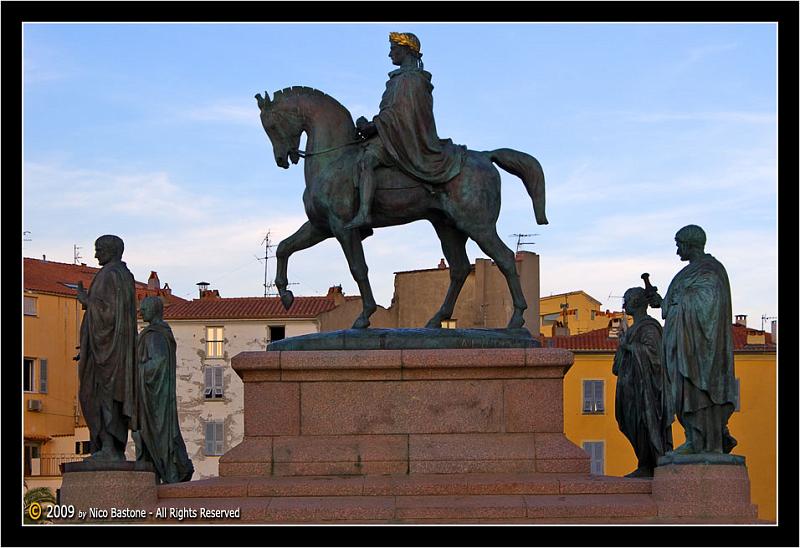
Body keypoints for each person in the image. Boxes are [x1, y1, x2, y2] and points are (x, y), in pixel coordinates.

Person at [345, 32, 466, 230]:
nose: (390, 54)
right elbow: (393, 112)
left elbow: (403, 114)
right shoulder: (401, 78)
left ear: (406, 50)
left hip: (404, 138)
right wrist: (372, 125)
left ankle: (364, 213)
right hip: (392, 133)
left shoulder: (411, 79)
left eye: (394, 49)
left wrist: (374, 125)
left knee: (366, 161)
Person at [647, 224, 738, 454]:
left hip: (699, 350)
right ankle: (693, 438)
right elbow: (672, 304)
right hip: (682, 346)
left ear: (690, 244)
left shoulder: (710, 270)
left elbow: (709, 304)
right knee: (681, 391)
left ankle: (702, 441)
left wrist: (678, 303)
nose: (677, 251)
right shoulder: (689, 272)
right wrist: (662, 302)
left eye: (679, 245)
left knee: (696, 392)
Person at [76, 235, 138, 461]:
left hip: (108, 353)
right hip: (107, 347)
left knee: (100, 395)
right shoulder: (124, 276)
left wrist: (86, 301)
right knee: (102, 396)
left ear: (111, 251)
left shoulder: (110, 275)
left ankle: (109, 447)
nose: (95, 255)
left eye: (99, 250)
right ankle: (107, 446)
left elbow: (109, 314)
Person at [612, 287, 673, 476]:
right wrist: (623, 348)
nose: (624, 305)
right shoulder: (632, 329)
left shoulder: (649, 327)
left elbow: (655, 357)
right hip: (631, 389)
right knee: (631, 424)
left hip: (646, 392)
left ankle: (649, 465)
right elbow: (617, 367)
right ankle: (644, 463)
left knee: (645, 425)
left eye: (627, 300)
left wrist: (629, 347)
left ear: (637, 302)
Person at [133, 296, 194, 483]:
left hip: (153, 397)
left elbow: (158, 362)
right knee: (152, 434)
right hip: (155, 394)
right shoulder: (158, 333)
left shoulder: (155, 335)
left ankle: (169, 472)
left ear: (154, 309)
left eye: (144, 308)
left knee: (154, 434)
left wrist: (136, 369)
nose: (141, 312)